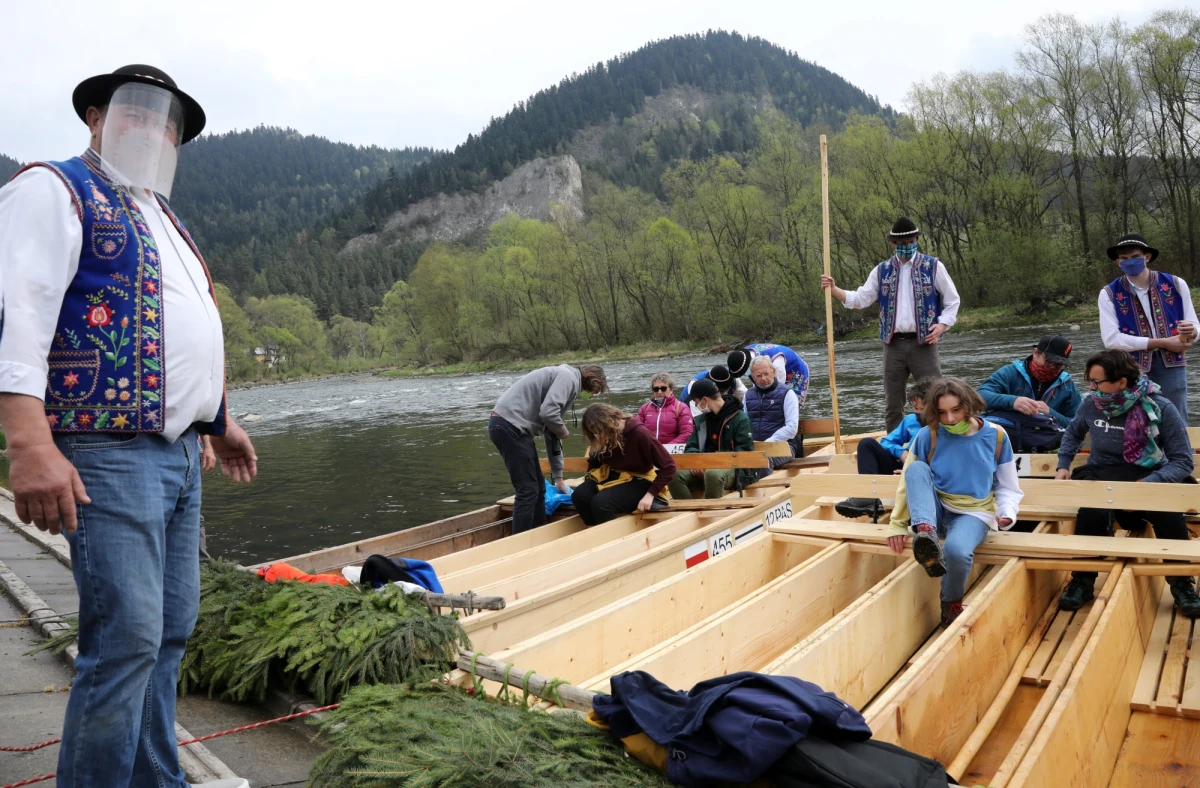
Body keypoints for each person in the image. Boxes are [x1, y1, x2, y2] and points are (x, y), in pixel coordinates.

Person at [0, 65, 258, 788]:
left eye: (168, 122)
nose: (156, 130)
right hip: (106, 450)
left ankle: (155, 781)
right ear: (95, 117)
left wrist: (219, 422)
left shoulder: (164, 217)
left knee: (168, 632)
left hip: (178, 453)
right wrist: (28, 443)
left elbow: (188, 328)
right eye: (140, 114)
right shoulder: (53, 188)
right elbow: (14, 317)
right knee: (125, 642)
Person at [1055, 350, 1200, 617]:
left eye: (1097, 382)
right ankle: (1083, 580)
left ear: (1122, 382)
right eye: (1090, 381)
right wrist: (1063, 464)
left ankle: (1182, 583)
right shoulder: (1091, 404)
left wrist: (1148, 483)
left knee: (1169, 516)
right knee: (1090, 512)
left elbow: (1182, 461)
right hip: (1104, 474)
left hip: (1148, 476)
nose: (1092, 388)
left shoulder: (1160, 408)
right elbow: (1073, 433)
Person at [887, 378, 1022, 626]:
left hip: (974, 513)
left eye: (956, 410)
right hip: (934, 510)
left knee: (957, 551)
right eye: (942, 413)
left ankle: (950, 605)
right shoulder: (928, 436)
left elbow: (1008, 487)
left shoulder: (997, 436)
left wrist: (1008, 513)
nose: (949, 419)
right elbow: (909, 483)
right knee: (916, 468)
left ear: (970, 405)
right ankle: (925, 535)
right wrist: (896, 524)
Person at [821, 217, 962, 432]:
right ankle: (894, 445)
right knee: (893, 402)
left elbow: (953, 300)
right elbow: (861, 298)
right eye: (902, 243)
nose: (907, 246)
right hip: (893, 344)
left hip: (924, 343)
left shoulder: (933, 266)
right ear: (893, 244)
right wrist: (834, 289)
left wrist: (942, 325)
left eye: (911, 241)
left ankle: (936, 440)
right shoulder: (882, 270)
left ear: (916, 240)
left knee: (934, 397)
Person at [489, 363, 608, 533]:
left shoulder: (567, 384)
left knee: (539, 489)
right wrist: (562, 429)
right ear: (592, 380)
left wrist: (558, 478)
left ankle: (539, 534)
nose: (588, 395)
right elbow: (549, 412)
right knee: (528, 490)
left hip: (513, 428)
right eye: (592, 392)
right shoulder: (567, 377)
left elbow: (551, 435)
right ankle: (518, 543)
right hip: (508, 425)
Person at [1099, 233, 1198, 423]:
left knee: (1175, 419)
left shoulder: (1176, 284)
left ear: (1147, 257)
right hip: (1130, 368)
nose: (1129, 261)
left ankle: (1179, 453)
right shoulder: (1109, 293)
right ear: (1118, 262)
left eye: (1135, 257)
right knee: (1136, 422)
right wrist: (1162, 342)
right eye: (1124, 258)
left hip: (1172, 365)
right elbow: (1111, 340)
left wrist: (1192, 332)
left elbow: (1194, 325)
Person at [836, 377, 933, 519]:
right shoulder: (910, 421)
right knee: (866, 444)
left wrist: (910, 471)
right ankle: (869, 497)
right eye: (915, 408)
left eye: (922, 409)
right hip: (900, 466)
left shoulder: (941, 427)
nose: (919, 413)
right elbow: (886, 442)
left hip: (922, 473)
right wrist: (901, 452)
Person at [571, 403, 676, 525]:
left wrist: (650, 495)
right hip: (612, 475)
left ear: (609, 424)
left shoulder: (640, 433)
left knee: (601, 503)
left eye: (599, 431)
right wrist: (589, 483)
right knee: (579, 496)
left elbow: (669, 466)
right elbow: (594, 463)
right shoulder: (600, 436)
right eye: (594, 433)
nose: (598, 436)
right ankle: (595, 531)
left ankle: (613, 539)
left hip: (639, 480)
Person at [667, 378, 757, 499]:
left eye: (695, 401)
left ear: (705, 400)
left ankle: (711, 513)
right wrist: (696, 462)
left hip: (734, 469)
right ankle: (687, 511)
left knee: (712, 474)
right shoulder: (701, 421)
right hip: (704, 467)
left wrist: (710, 463)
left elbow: (744, 452)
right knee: (673, 474)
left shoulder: (740, 419)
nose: (695, 405)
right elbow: (691, 447)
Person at [979, 335, 1082, 429]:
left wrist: (1050, 413)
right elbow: (980, 397)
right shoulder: (1010, 373)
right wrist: (1013, 401)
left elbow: (1077, 424)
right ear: (1035, 353)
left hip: (1047, 442)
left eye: (1059, 365)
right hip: (1010, 437)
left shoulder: (1068, 386)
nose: (1053, 368)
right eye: (1049, 362)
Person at [743, 355, 801, 470]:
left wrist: (768, 443)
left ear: (773, 372)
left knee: (762, 461)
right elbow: (744, 425)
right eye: (758, 376)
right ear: (753, 377)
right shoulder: (747, 395)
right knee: (736, 461)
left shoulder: (788, 393)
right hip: (755, 446)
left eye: (766, 374)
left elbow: (792, 427)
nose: (763, 378)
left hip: (783, 446)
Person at [726, 342, 810, 406]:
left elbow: (779, 389)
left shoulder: (776, 362)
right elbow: (757, 385)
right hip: (765, 367)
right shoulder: (742, 357)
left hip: (795, 370)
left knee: (787, 402)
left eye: (745, 372)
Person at [633, 373, 692, 446]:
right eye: (656, 389)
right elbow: (636, 431)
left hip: (671, 452)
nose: (659, 392)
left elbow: (686, 433)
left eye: (663, 388)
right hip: (649, 450)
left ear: (671, 389)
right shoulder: (644, 408)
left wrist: (666, 448)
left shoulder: (681, 408)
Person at [681, 364, 745, 418]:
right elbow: (697, 417)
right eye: (718, 392)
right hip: (688, 412)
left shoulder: (733, 378)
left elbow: (745, 401)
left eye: (722, 392)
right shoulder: (695, 385)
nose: (719, 396)